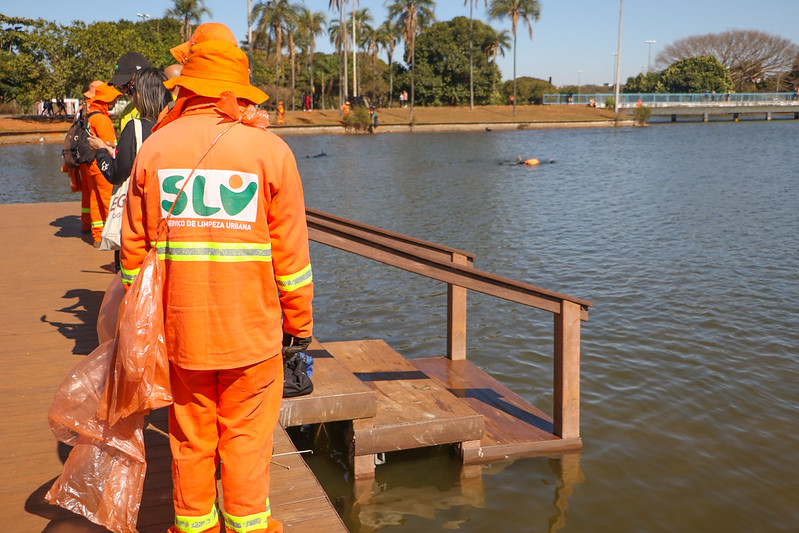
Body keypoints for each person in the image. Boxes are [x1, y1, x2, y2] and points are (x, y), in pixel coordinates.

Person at [120, 31, 313, 533]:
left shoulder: (155, 148)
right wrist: (299, 325)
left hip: (182, 334)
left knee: (190, 441)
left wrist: (140, 323)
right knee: (247, 442)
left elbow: (132, 256)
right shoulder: (271, 152)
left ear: (188, 83)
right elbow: (292, 259)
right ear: (237, 86)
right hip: (253, 335)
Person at [88, 68, 172, 270]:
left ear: (142, 95)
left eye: (132, 92)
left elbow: (116, 173)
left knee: (131, 275)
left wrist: (101, 151)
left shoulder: (136, 127)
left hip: (139, 220)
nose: (132, 97)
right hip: (170, 215)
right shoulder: (176, 125)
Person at [81, 82, 121, 246]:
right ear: (105, 100)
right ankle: (112, 236)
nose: (115, 102)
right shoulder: (102, 119)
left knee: (95, 199)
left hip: (92, 164)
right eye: (113, 99)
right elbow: (109, 145)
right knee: (108, 200)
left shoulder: (90, 116)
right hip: (102, 164)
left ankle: (98, 236)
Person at [109, 52, 151, 132]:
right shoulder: (127, 110)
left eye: (126, 85)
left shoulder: (167, 104)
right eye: (121, 87)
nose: (125, 90)